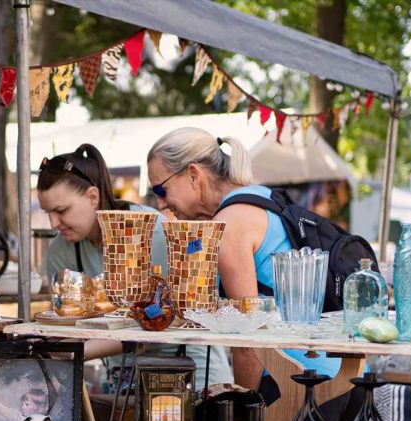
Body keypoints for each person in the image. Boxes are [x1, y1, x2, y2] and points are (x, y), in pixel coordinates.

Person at [146, 127, 341, 393]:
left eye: (161, 189)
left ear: (193, 175)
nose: (160, 204)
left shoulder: (230, 223)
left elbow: (247, 340)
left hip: (297, 384)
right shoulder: (258, 197)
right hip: (333, 373)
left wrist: (242, 409)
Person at [37, 143, 233, 391]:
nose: (54, 222)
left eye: (61, 210)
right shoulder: (60, 250)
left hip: (191, 376)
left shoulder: (153, 230)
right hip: (126, 383)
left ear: (92, 197)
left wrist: (72, 350)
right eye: (47, 213)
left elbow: (157, 320)